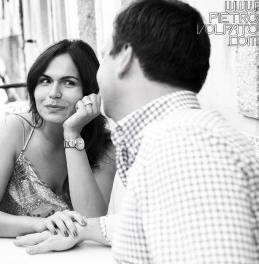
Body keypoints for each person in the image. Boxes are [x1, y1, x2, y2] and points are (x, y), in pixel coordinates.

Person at [14, 0, 259, 263]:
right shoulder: (178, 136)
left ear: (125, 58)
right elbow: (161, 223)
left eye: (106, 54)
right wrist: (84, 229)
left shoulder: (186, 146)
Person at [0, 39, 117, 238]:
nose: (53, 94)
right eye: (45, 81)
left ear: (89, 92)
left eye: (68, 82)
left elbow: (92, 220)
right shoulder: (13, 131)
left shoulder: (105, 146)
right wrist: (40, 224)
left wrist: (72, 134)